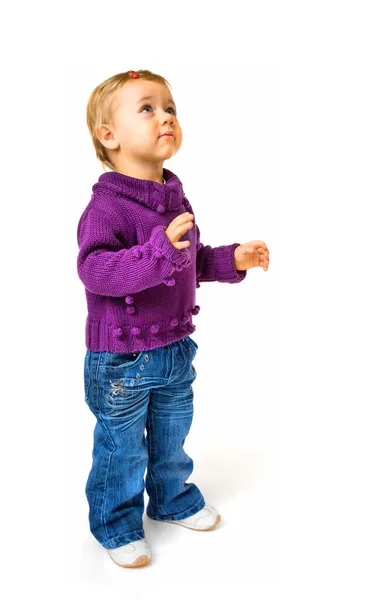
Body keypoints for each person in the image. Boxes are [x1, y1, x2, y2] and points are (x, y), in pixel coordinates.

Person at [77, 69, 270, 569]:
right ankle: (115, 522)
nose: (165, 116)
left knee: (171, 432)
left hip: (174, 346)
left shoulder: (173, 196)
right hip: (122, 355)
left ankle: (171, 497)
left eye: (170, 108)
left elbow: (188, 260)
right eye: (147, 108)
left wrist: (232, 261)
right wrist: (158, 252)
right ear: (109, 136)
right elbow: (97, 271)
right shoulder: (107, 207)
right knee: (121, 448)